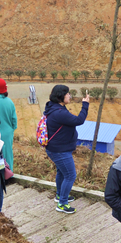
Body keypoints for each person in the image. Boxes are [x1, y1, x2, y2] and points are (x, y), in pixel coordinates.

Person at [43, 85, 89, 213]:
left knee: (62, 172)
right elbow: (79, 120)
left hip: (58, 148)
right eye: (67, 94)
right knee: (70, 175)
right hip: (59, 150)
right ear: (61, 96)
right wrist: (85, 105)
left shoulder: (54, 107)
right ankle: (62, 204)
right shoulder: (59, 113)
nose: (69, 96)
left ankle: (60, 195)